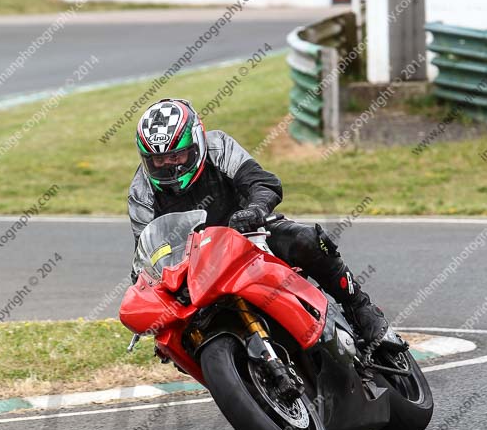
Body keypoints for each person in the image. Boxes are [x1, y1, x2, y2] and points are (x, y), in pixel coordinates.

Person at [128, 98, 390, 347]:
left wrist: (255, 208)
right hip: (196, 270)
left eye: (177, 156)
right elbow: (145, 251)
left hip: (251, 236)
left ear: (196, 144)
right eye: (158, 160)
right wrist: (147, 286)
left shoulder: (217, 147)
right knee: (174, 335)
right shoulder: (141, 191)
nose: (168, 167)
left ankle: (359, 306)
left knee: (307, 240)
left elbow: (262, 182)